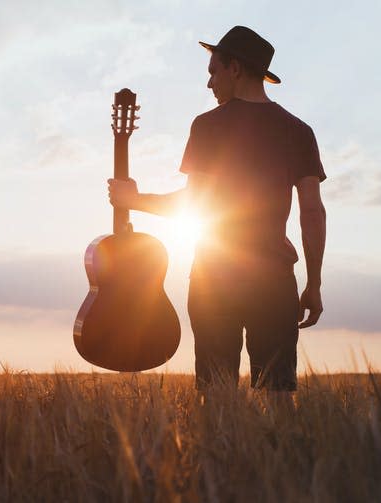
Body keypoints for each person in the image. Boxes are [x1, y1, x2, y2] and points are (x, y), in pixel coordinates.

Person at [108, 26, 327, 397]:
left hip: (215, 278)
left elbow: (194, 204)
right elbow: (312, 212)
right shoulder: (299, 131)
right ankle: (279, 458)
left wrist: (134, 200)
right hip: (274, 279)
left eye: (213, 71)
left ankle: (218, 458)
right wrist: (314, 283)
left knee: (216, 398)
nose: (209, 83)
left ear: (235, 69)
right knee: (277, 397)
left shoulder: (208, 126)